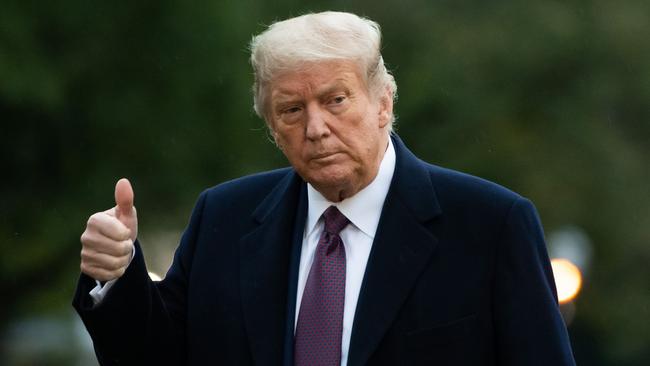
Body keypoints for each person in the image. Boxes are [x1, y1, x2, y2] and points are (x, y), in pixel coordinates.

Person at [73, 11, 576, 366]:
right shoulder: (223, 218)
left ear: (383, 103)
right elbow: (156, 356)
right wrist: (116, 276)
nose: (315, 128)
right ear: (271, 127)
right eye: (291, 110)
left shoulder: (490, 225)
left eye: (335, 100)